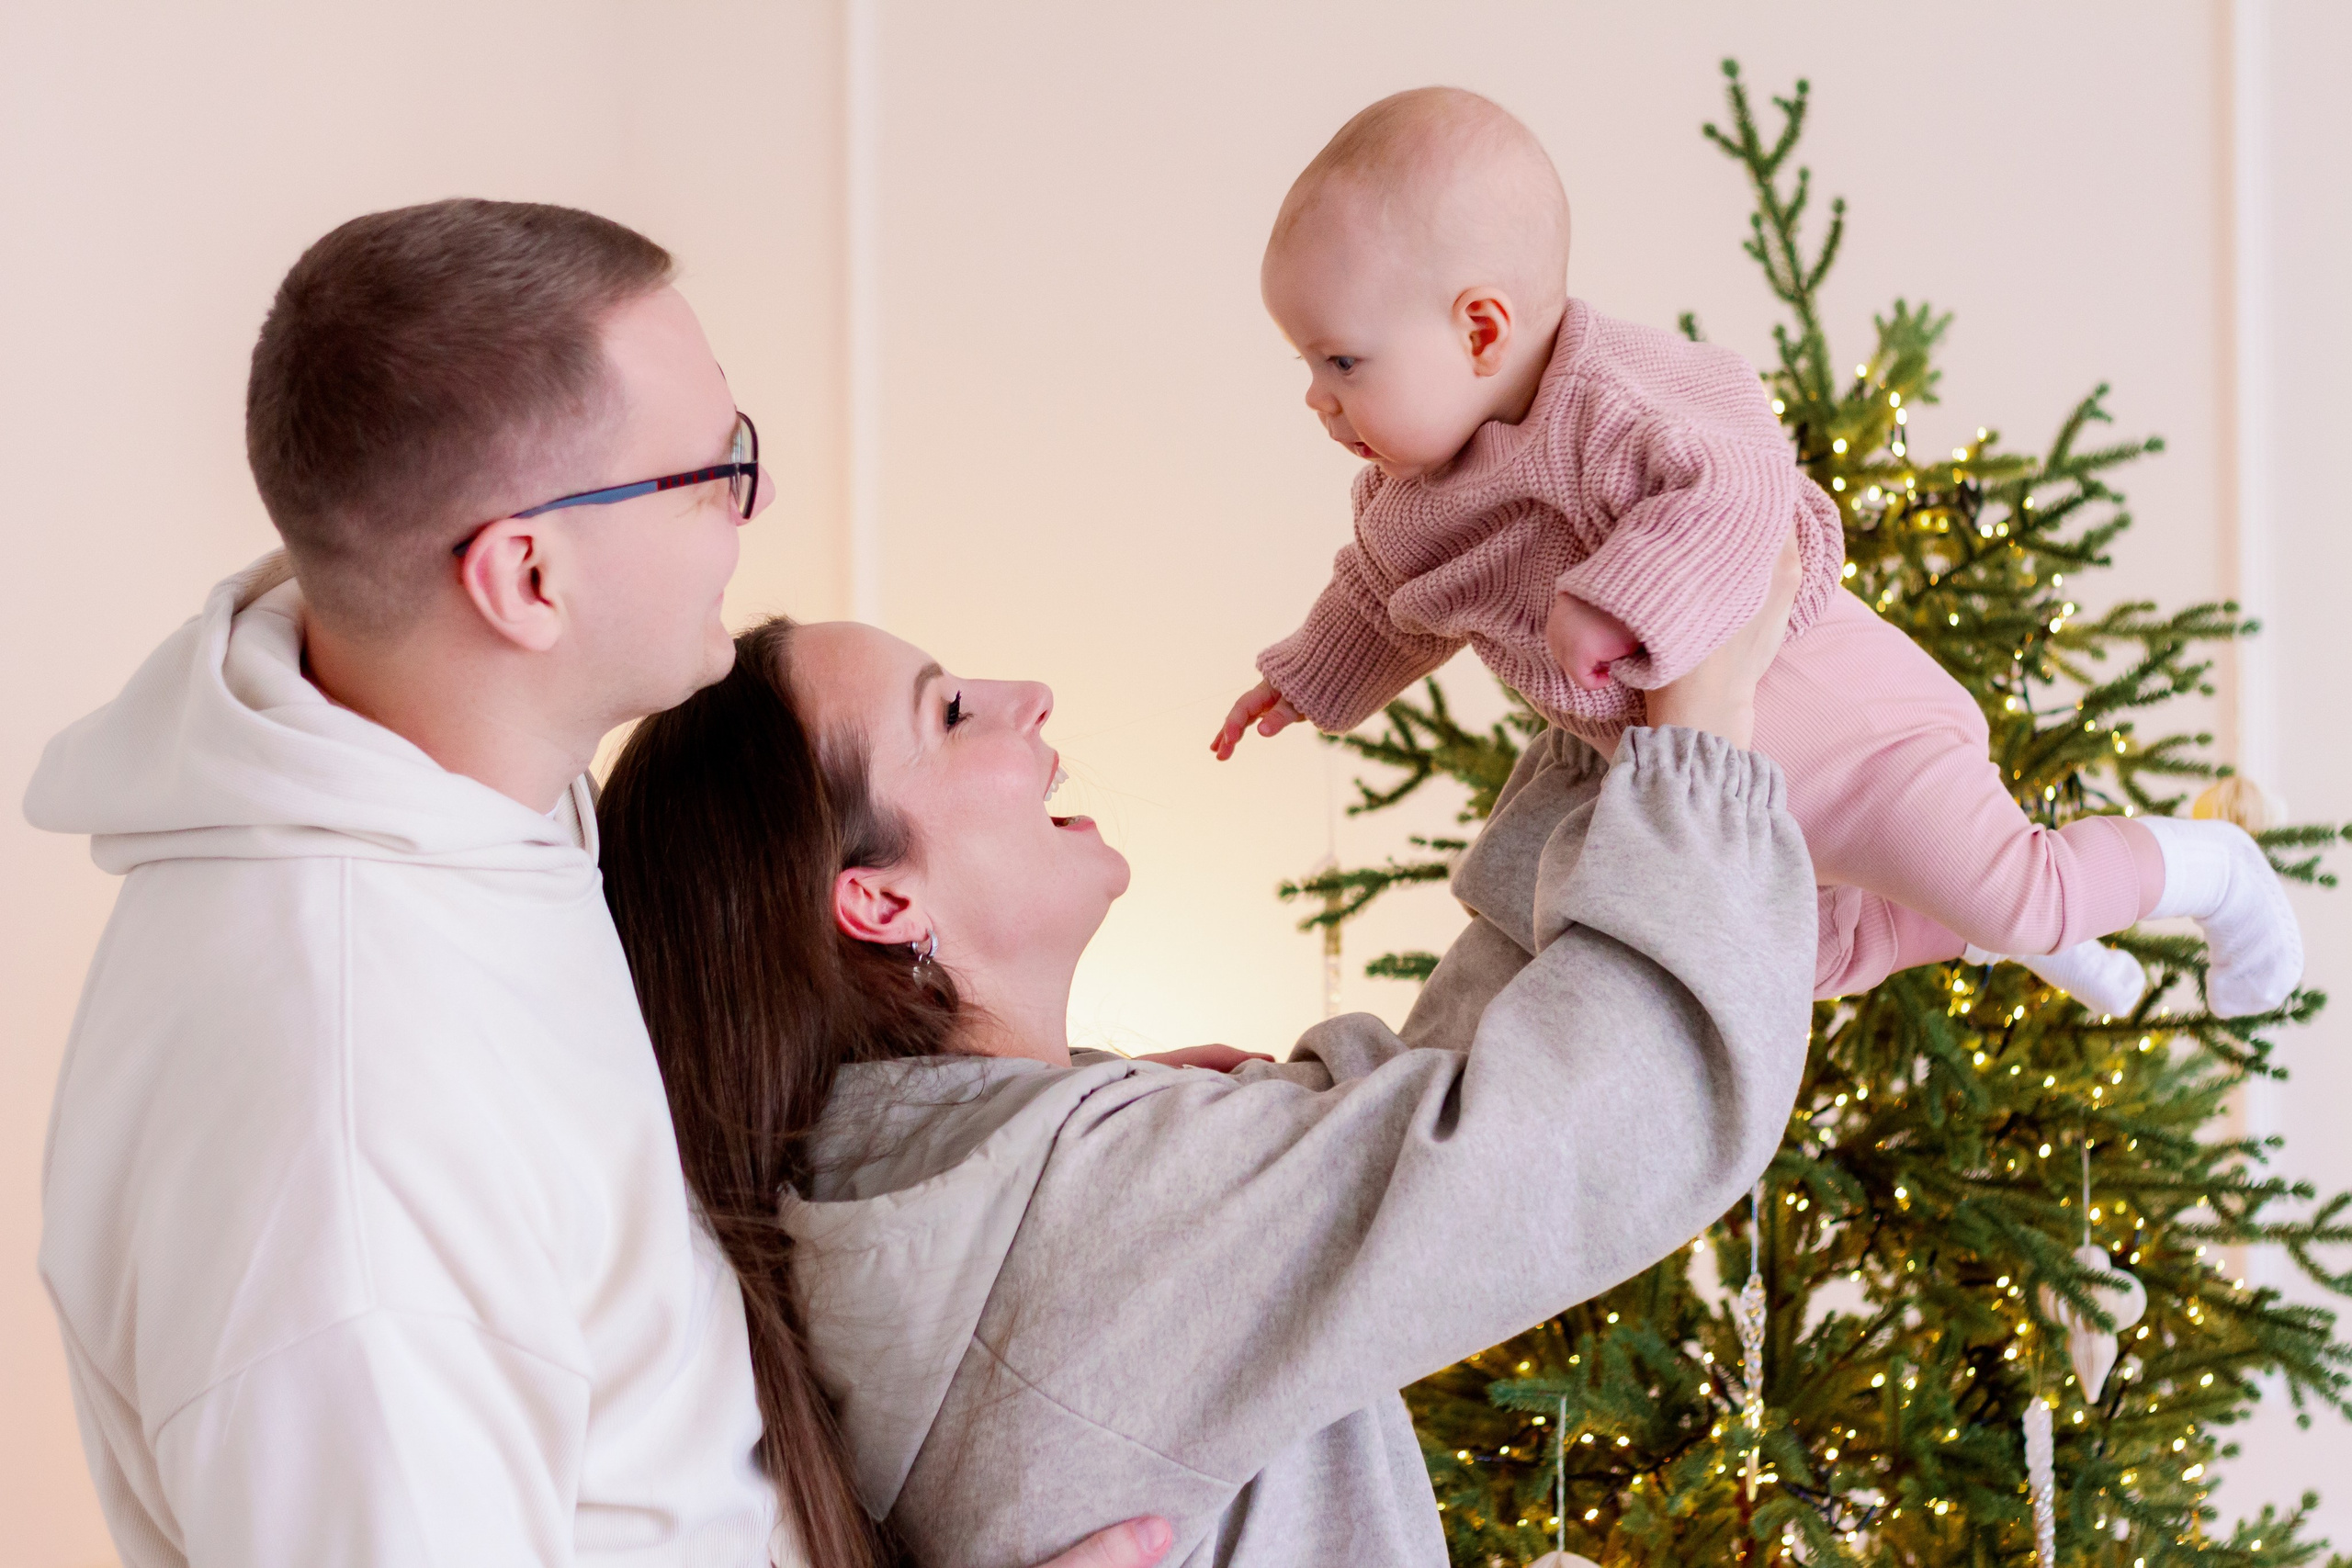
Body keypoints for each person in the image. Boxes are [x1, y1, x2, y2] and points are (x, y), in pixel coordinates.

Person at [25, 199, 1170, 1568]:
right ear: (525, 576)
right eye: (710, 474)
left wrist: (1071, 1106)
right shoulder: (346, 1122)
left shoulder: (465, 797)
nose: (748, 512)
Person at [593, 521, 1815, 1564]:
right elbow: (1609, 1123)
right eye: (953, 712)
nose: (1027, 696)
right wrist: (1699, 730)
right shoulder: (1068, 1214)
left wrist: (1594, 737)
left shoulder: (947, 1203)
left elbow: (1432, 1106)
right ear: (878, 901)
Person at [1211, 86, 2301, 1020]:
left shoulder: (1610, 397)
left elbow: (1742, 482)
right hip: (1733, 790)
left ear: (1481, 329)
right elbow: (1381, 592)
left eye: (1342, 361)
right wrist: (1309, 677)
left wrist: (1621, 598)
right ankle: (1983, 926)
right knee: (1796, 960)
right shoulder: (1413, 496)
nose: (1319, 400)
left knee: (2027, 888)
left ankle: (2213, 875)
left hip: (1849, 728)